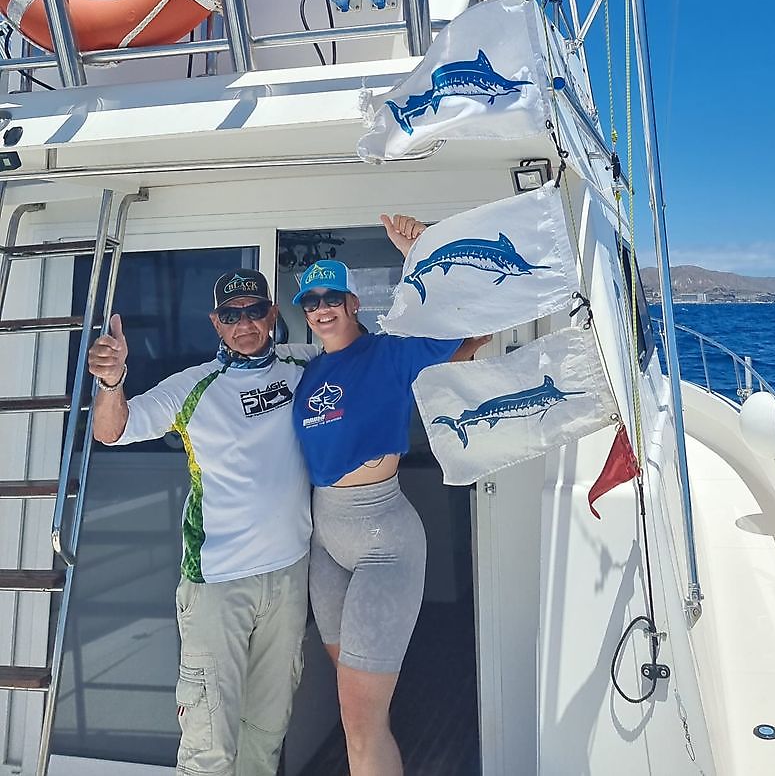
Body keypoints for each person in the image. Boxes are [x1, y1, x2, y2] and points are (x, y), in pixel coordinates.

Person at [88, 268, 311, 776]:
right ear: (215, 322)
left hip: (289, 575)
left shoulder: (305, 363)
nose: (244, 323)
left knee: (266, 734)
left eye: (255, 310)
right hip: (217, 584)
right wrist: (112, 381)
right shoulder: (193, 387)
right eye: (231, 315)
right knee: (208, 746)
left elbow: (367, 363)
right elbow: (112, 429)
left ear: (273, 314)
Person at [291, 212, 489, 776]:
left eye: (332, 297)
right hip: (326, 541)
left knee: (360, 720)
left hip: (383, 540)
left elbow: (463, 329)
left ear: (353, 303)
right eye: (311, 301)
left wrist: (419, 256)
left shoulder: (389, 352)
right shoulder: (307, 373)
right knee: (356, 706)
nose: (322, 308)